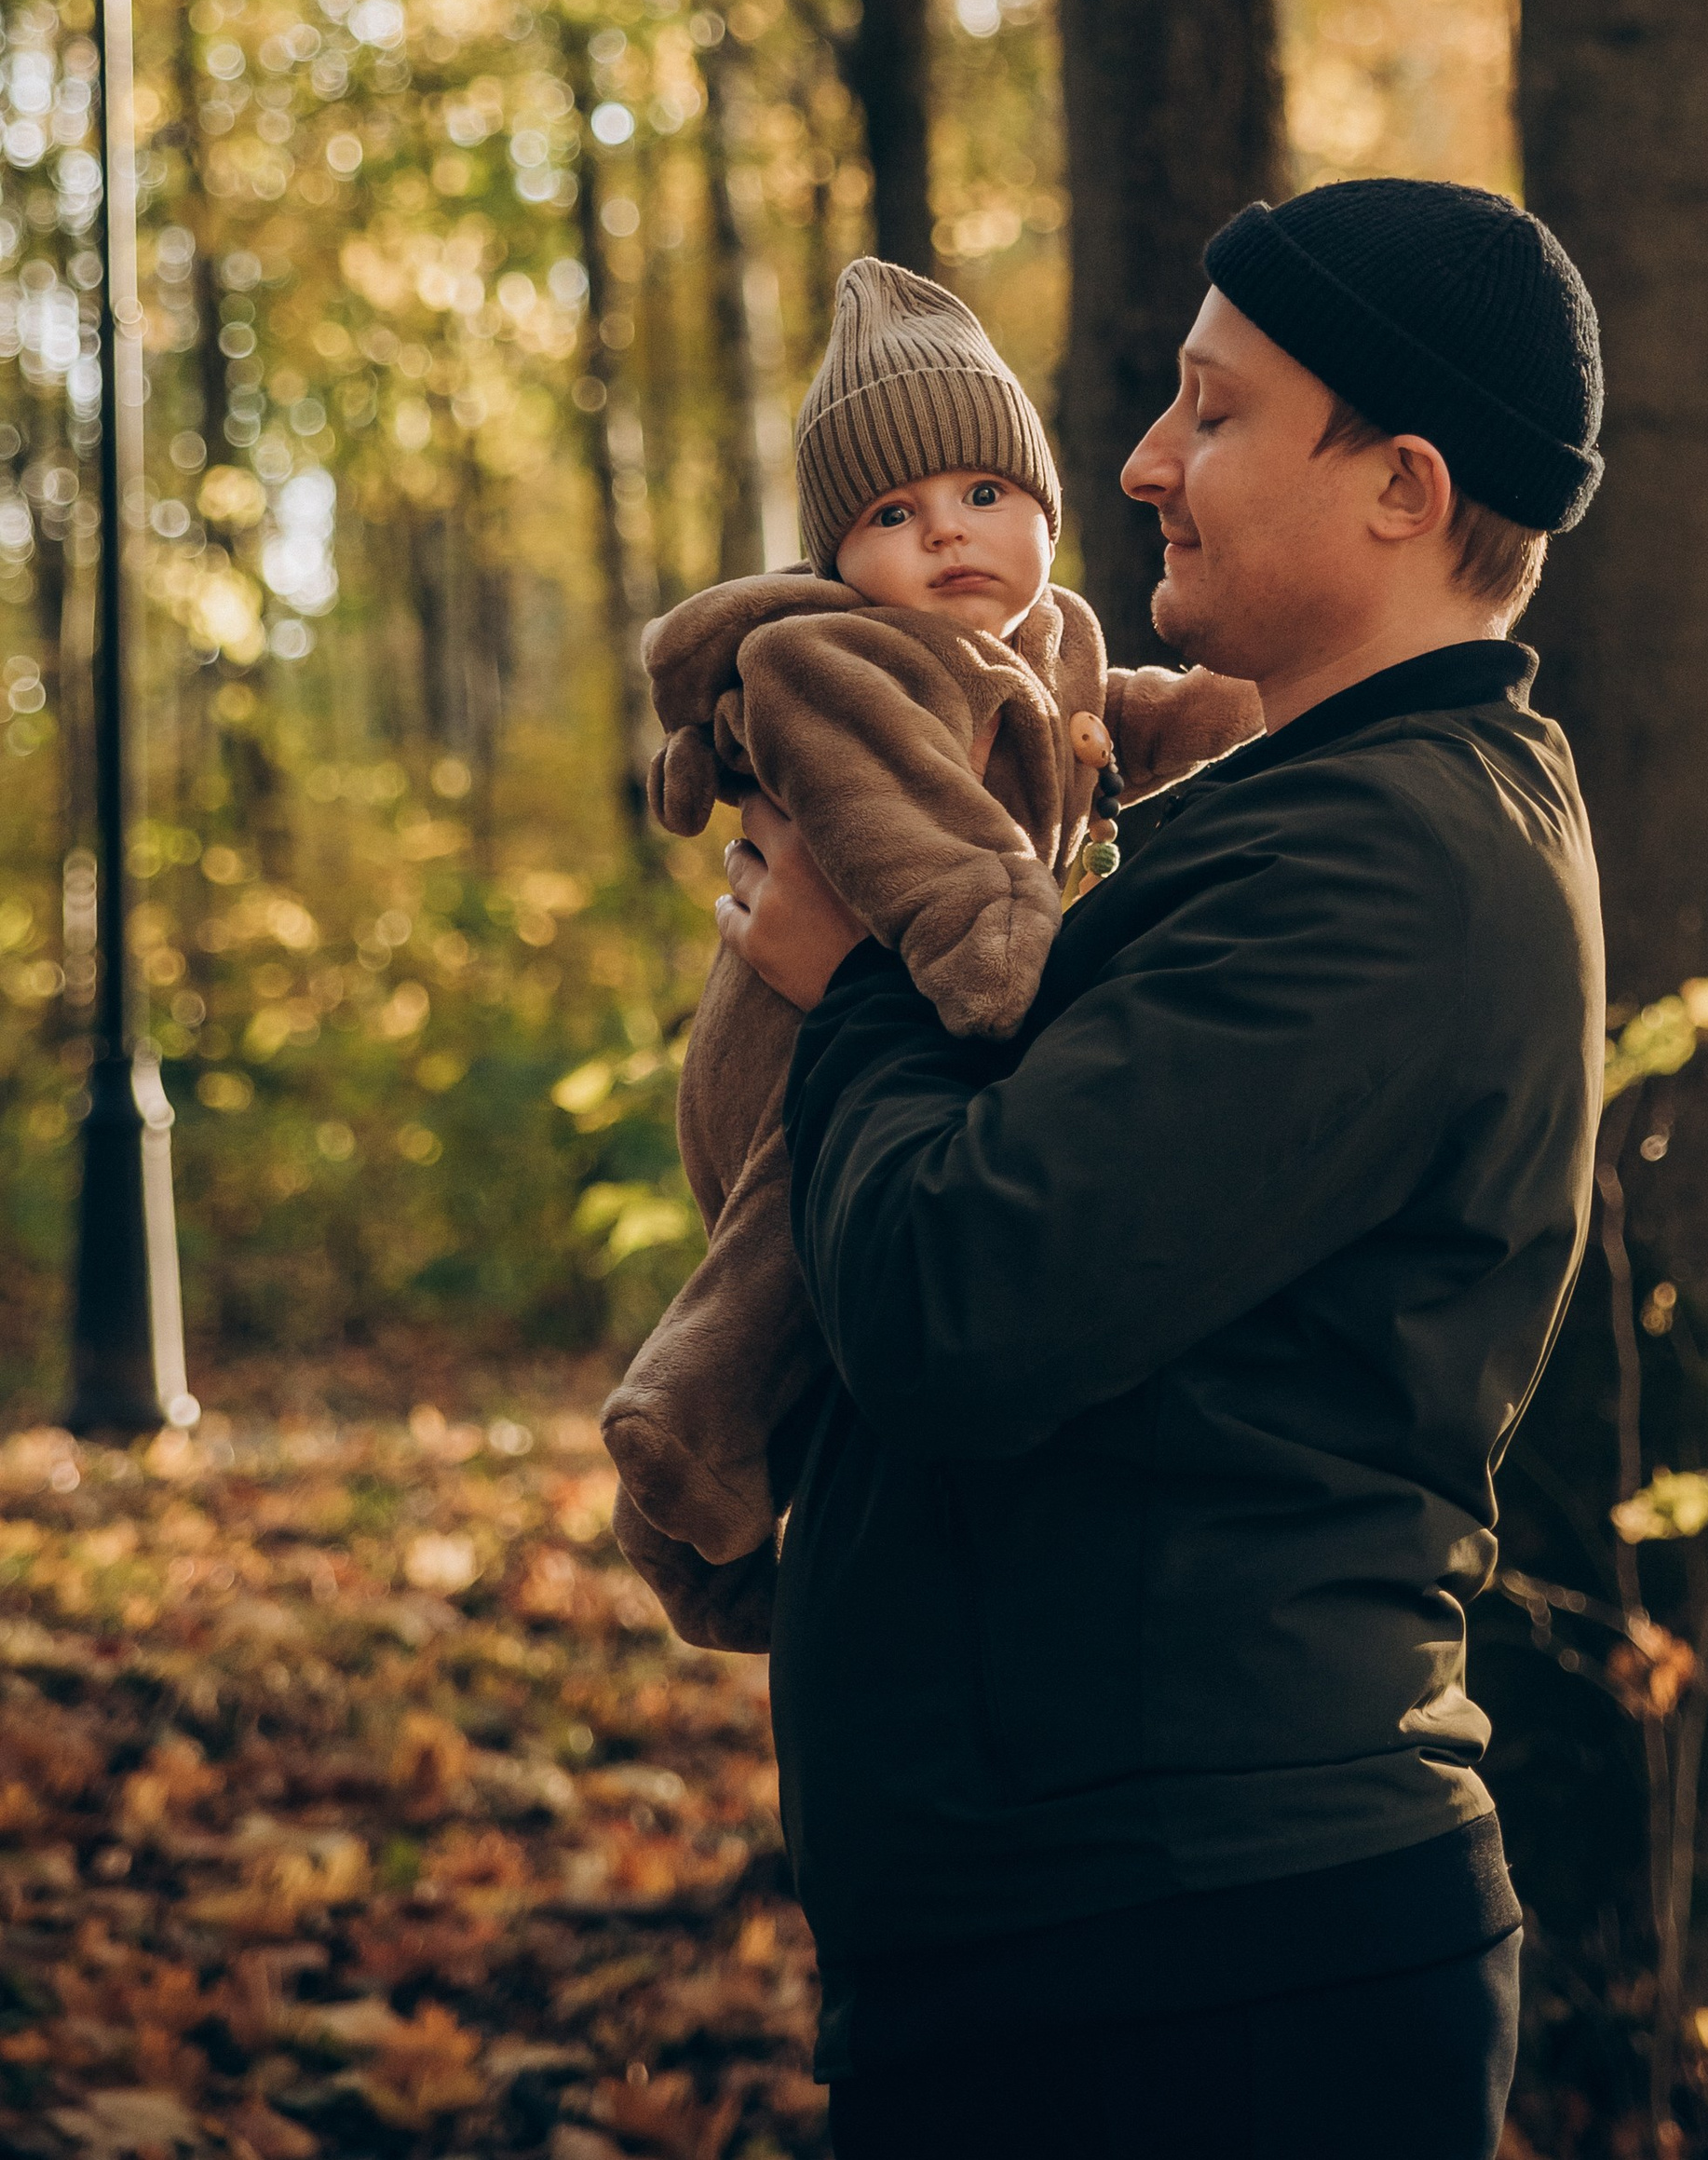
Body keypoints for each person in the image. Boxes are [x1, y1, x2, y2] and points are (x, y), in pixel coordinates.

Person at [720, 179, 1607, 2160]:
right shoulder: (1307, 814)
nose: (1134, 464)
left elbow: (955, 1299)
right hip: (1089, 1947)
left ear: (1398, 484)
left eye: (1207, 414)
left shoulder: (1384, 874)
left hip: (1200, 1977)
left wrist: (854, 961)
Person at [603, 258, 1256, 1638]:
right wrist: (1007, 948)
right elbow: (904, 824)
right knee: (786, 1241)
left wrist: (1219, 715)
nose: (949, 536)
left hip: (902, 1001)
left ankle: (742, 1522)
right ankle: (679, 1455)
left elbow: (1102, 725)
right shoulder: (836, 663)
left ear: (1041, 511)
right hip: (789, 1032)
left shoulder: (1052, 636)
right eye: (894, 514)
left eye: (983, 497)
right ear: (840, 553)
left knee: (855, 1302)